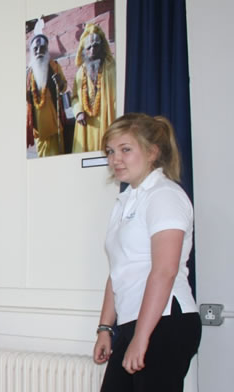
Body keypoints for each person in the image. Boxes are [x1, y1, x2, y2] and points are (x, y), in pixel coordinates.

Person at [93, 113, 201, 391]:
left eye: (126, 149)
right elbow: (118, 271)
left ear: (153, 152)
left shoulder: (164, 195)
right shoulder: (126, 200)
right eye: (111, 151)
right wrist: (106, 328)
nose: (115, 159)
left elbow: (165, 271)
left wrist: (142, 338)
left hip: (165, 322)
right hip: (134, 322)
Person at [71, 23, 116, 153]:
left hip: (106, 121)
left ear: (102, 47)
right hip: (86, 125)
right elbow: (74, 97)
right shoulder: (80, 73)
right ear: (83, 50)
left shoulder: (112, 68)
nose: (92, 51)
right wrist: (78, 112)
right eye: (88, 47)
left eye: (96, 46)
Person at [26, 33, 67, 157]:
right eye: (35, 49)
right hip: (39, 127)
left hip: (55, 122)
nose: (39, 51)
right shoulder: (28, 73)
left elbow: (63, 88)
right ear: (32, 52)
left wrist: (60, 82)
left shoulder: (55, 66)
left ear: (47, 49)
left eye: (42, 48)